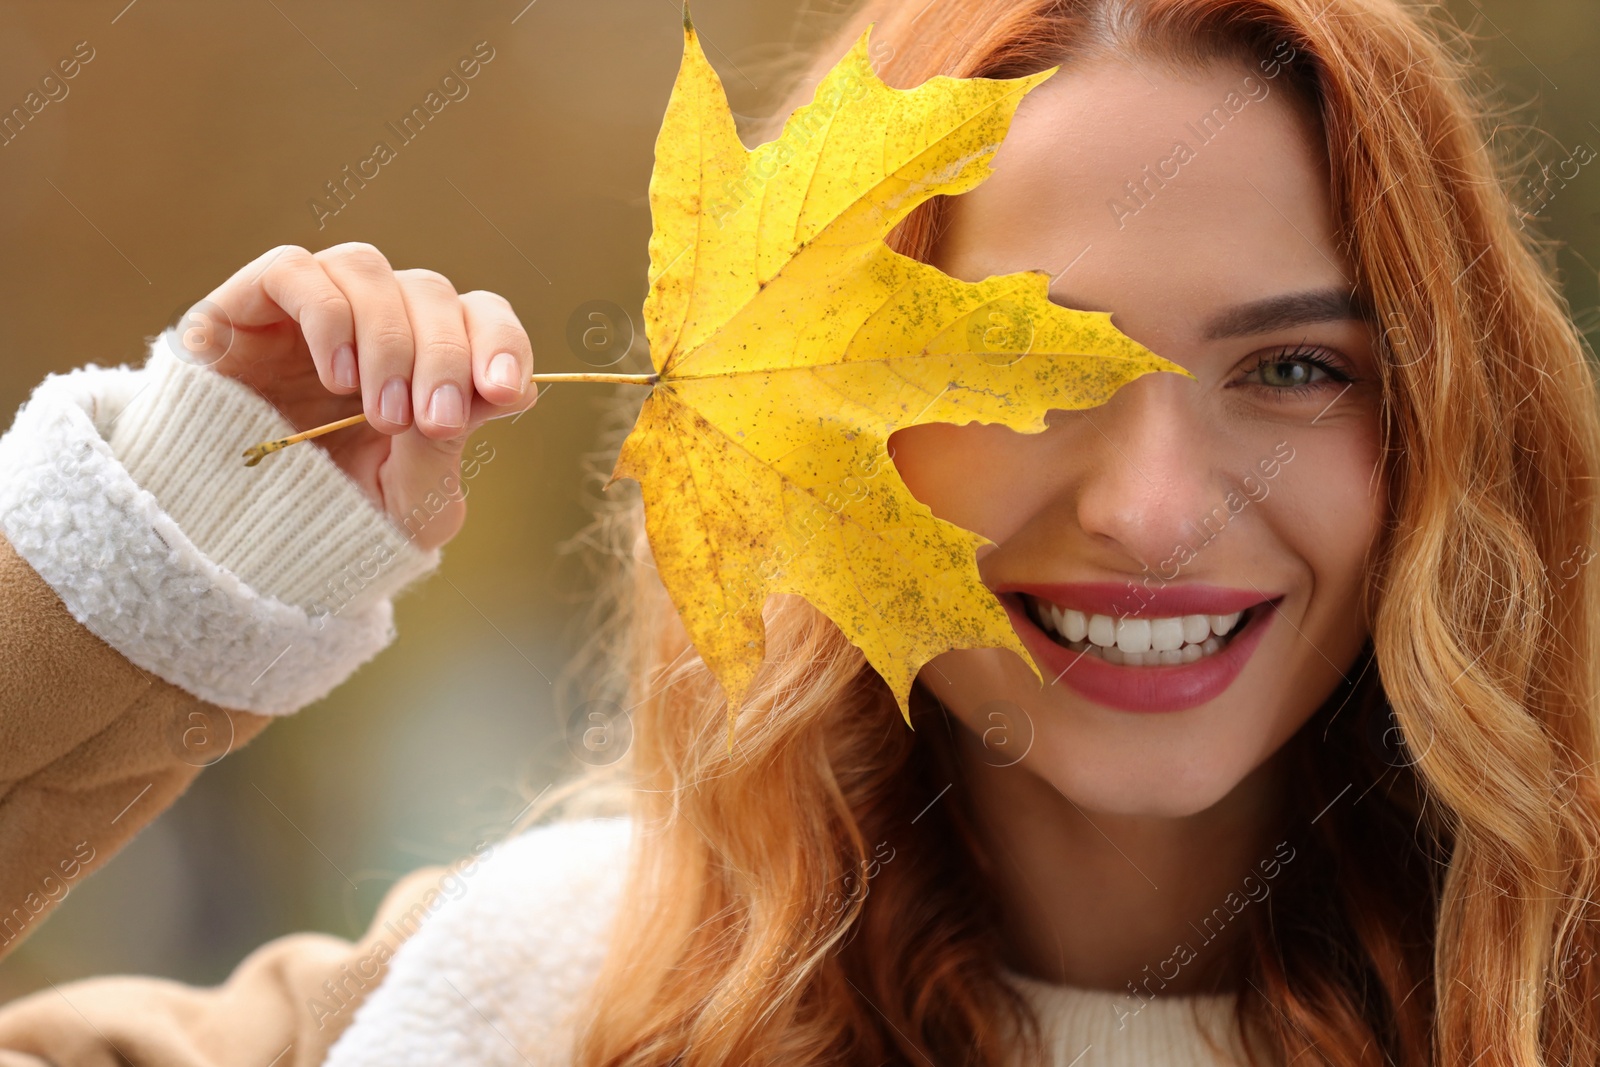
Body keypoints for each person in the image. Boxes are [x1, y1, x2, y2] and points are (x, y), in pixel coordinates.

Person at [0, 0, 1596, 1063]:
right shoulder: (526, 1006)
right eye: (1019, 369)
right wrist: (159, 563)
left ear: (1453, 429)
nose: (1157, 510)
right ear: (828, 417)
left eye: (1296, 369)